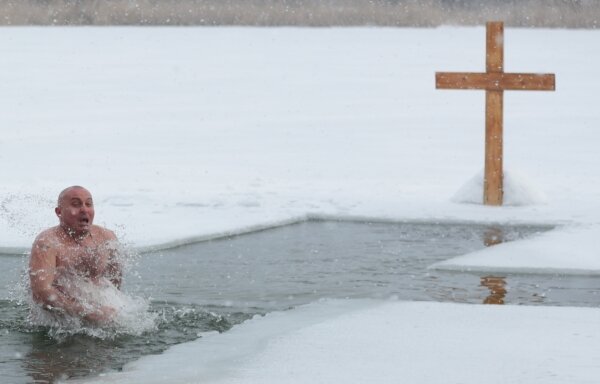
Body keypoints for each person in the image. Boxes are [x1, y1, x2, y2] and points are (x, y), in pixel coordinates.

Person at [29, 186, 122, 325]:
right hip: (58, 324)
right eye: (76, 204)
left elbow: (115, 283)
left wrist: (108, 310)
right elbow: (41, 292)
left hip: (99, 317)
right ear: (59, 212)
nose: (84, 210)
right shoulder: (47, 243)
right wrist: (87, 312)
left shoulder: (107, 238)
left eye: (88, 204)